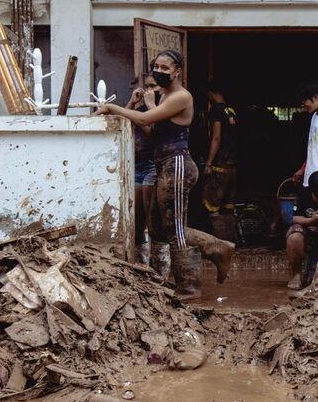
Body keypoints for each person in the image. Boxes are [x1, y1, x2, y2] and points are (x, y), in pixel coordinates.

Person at [96, 49, 204, 300]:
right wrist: (133, 104)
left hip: (177, 164)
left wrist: (113, 107)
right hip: (163, 165)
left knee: (175, 229)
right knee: (157, 228)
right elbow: (151, 129)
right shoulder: (165, 96)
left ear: (177, 72)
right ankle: (218, 249)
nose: (160, 72)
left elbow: (145, 118)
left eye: (166, 68)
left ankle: (189, 287)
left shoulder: (181, 96)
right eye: (157, 66)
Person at [128, 74, 160, 267]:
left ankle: (159, 269)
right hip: (136, 166)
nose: (149, 91)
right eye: (146, 86)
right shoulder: (141, 108)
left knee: (152, 221)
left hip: (151, 167)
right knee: (137, 221)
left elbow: (157, 134)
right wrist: (132, 103)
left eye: (153, 86)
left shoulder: (162, 108)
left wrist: (148, 108)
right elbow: (122, 120)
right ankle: (142, 266)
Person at [202, 79, 238, 241]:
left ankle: (218, 244)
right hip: (232, 165)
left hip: (219, 165)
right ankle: (229, 242)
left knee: (212, 204)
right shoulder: (231, 111)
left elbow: (216, 138)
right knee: (227, 206)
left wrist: (209, 163)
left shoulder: (215, 111)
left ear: (212, 93)